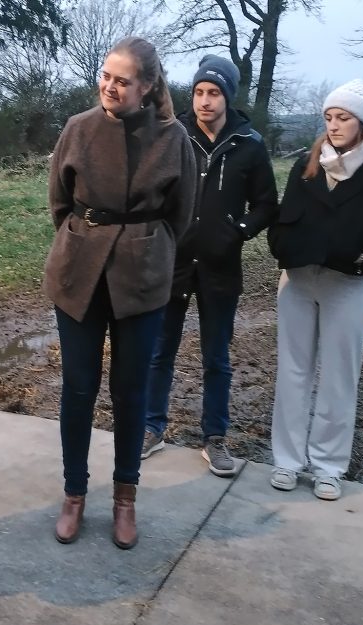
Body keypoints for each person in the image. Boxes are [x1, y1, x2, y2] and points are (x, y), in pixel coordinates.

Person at [43, 37, 196, 549]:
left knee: (130, 392)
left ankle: (125, 499)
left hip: (142, 279)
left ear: (147, 86)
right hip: (79, 274)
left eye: (122, 80)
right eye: (106, 76)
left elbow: (182, 214)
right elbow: (60, 204)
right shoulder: (78, 129)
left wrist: (147, 247)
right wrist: (83, 238)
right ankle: (73, 495)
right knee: (78, 389)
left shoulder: (173, 139)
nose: (109, 86)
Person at [266, 79, 363, 501]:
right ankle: (286, 460)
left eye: (344, 118)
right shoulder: (310, 162)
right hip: (298, 282)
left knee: (339, 378)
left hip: (348, 286)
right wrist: (282, 246)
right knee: (293, 373)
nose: (334, 126)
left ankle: (328, 467)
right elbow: (286, 217)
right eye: (330, 117)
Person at [140, 55, 278, 477]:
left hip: (221, 269)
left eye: (213, 93)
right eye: (199, 92)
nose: (204, 101)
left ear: (227, 97)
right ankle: (151, 428)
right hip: (175, 264)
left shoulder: (249, 145)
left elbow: (267, 204)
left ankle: (214, 437)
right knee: (160, 351)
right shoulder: (174, 136)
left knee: (216, 357)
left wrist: (239, 230)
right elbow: (152, 190)